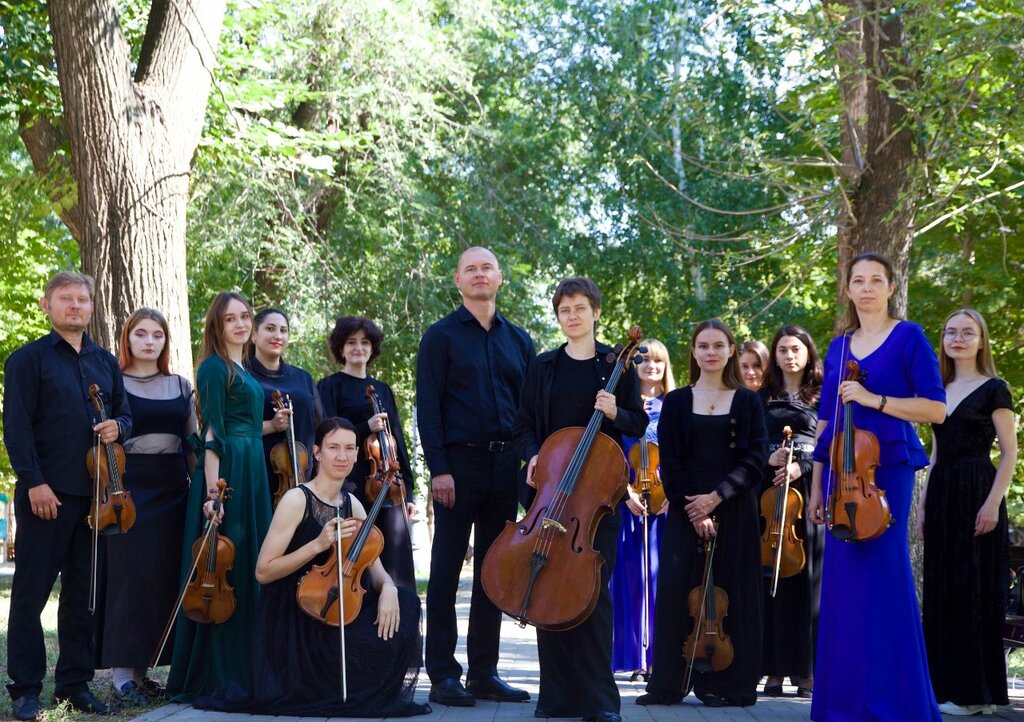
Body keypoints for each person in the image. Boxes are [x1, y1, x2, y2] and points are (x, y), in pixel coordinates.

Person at [193, 418, 430, 717]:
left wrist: (389, 590)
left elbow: (377, 572)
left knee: (407, 604)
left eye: (349, 449)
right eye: (333, 447)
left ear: (357, 454)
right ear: (317, 452)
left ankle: (358, 688)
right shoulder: (296, 499)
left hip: (337, 610)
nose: (342, 456)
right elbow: (263, 571)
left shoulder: (353, 505)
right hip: (296, 620)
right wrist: (317, 545)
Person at [807, 252, 947, 722]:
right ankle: (842, 705)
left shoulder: (910, 337)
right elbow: (826, 423)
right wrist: (817, 487)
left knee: (886, 581)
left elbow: (935, 409)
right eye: (858, 280)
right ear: (847, 289)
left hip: (886, 471)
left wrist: (874, 399)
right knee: (843, 588)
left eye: (875, 280)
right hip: (841, 476)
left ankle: (897, 705)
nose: (866, 288)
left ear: (891, 287)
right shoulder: (838, 347)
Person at [512, 277, 647, 722]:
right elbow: (524, 423)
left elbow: (638, 422)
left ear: (595, 313)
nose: (572, 316)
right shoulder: (544, 366)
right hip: (550, 495)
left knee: (593, 595)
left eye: (580, 308)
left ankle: (599, 702)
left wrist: (615, 411)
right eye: (564, 310)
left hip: (596, 501)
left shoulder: (616, 366)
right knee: (546, 587)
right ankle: (556, 698)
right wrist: (533, 454)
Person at [2, 271, 131, 719]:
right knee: (31, 594)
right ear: (46, 305)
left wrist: (118, 427)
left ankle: (74, 685)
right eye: (65, 298)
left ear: (91, 307)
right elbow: (17, 428)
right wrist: (34, 481)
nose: (75, 305)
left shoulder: (106, 362)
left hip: (97, 499)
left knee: (82, 595)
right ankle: (25, 689)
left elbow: (125, 416)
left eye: (82, 299)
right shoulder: (27, 360)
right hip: (47, 495)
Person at [416, 246, 534, 706]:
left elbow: (529, 412)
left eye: (487, 268)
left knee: (493, 572)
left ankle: (484, 673)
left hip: (506, 467)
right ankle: (443, 675)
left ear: (500, 277)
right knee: (445, 572)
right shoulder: (440, 337)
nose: (479, 274)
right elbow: (428, 409)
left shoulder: (519, 340)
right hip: (458, 468)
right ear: (458, 280)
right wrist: (439, 469)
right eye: (471, 269)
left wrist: (531, 461)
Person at [638, 319, 767, 708]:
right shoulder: (677, 401)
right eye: (703, 346)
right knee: (678, 590)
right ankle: (670, 683)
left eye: (718, 345)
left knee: (735, 593)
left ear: (731, 351)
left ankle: (728, 685)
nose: (711, 352)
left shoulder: (748, 401)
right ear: (693, 352)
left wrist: (716, 498)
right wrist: (695, 508)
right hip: (685, 508)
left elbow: (755, 459)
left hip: (734, 508)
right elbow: (670, 461)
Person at [166, 292, 273, 702]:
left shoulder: (241, 367)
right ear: (217, 325)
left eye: (245, 316)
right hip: (229, 472)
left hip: (252, 467)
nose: (241, 324)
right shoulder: (214, 367)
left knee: (248, 562)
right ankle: (220, 670)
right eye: (231, 319)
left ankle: (251, 664)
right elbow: (212, 432)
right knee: (228, 563)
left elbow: (248, 425)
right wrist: (214, 495)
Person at [94, 309, 197, 706]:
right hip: (129, 487)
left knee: (163, 578)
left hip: (174, 487)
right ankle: (122, 676)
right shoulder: (113, 382)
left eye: (157, 335)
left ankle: (143, 673)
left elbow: (192, 443)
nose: (149, 341)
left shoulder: (180, 385)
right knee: (130, 578)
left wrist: (202, 491)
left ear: (166, 341)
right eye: (141, 334)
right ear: (128, 338)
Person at [919, 309, 1016, 716]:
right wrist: (923, 506)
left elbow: (1009, 453)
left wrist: (992, 503)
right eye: (951, 332)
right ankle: (948, 688)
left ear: (981, 340)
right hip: (942, 493)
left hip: (978, 490)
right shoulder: (937, 389)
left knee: (973, 589)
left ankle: (976, 694)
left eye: (968, 332)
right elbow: (935, 454)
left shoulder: (995, 388)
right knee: (943, 590)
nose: (958, 338)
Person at [318, 316, 416, 590]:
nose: (358, 348)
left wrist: (408, 489)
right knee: (357, 550)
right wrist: (364, 427)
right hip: (351, 481)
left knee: (395, 555)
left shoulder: (382, 389)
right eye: (351, 342)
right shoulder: (330, 386)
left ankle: (398, 610)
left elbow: (397, 440)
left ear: (372, 349)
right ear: (341, 349)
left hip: (388, 483)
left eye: (364, 342)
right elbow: (327, 433)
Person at [758, 325, 823, 698]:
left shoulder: (823, 395)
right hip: (770, 491)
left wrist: (803, 466)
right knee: (772, 580)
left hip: (809, 490)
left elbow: (830, 443)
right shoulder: (762, 396)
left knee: (808, 581)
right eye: (782, 349)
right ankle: (773, 669)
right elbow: (750, 443)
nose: (789, 355)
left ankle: (806, 671)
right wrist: (769, 457)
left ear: (808, 353)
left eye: (796, 349)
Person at [610, 338, 675, 679]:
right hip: (628, 501)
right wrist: (625, 493)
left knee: (659, 578)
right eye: (644, 361)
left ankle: (656, 657)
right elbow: (610, 455)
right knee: (630, 578)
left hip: (663, 503)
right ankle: (632, 654)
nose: (651, 366)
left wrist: (672, 494)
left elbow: (682, 455)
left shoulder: (675, 406)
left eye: (659, 361)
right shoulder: (623, 407)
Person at [247, 308, 321, 505]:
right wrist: (271, 425)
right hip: (256, 475)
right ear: (253, 335)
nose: (278, 336)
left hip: (303, 476)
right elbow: (232, 429)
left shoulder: (302, 377)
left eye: (283, 330)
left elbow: (319, 424)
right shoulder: (242, 376)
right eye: (270, 329)